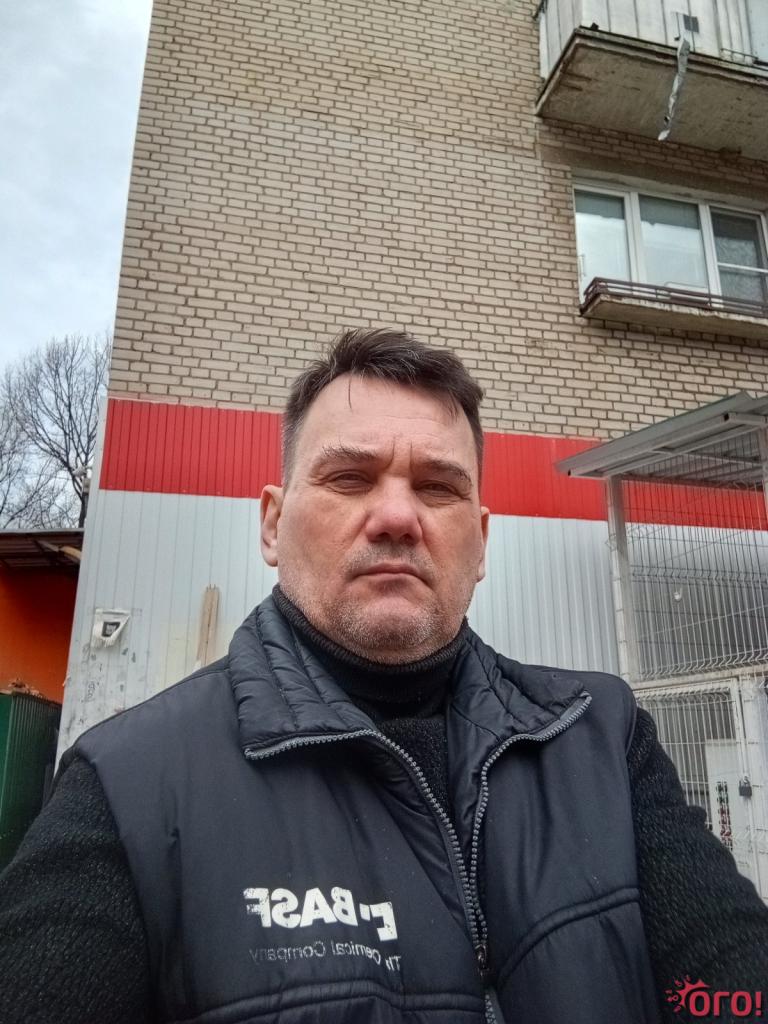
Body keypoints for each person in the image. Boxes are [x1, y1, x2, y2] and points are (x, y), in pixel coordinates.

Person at [1, 328, 767, 1024]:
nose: (398, 516)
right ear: (272, 524)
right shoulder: (129, 788)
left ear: (481, 542)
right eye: (349, 478)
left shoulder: (603, 737)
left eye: (438, 487)